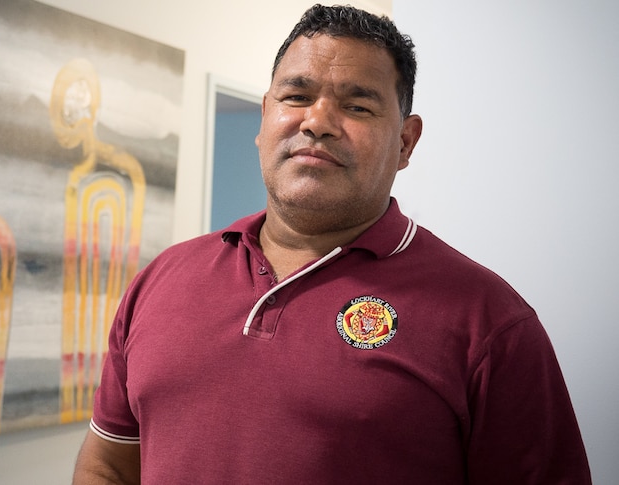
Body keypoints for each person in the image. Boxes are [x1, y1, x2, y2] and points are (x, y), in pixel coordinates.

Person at [72, 4, 591, 484]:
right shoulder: (163, 277)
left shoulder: (490, 323)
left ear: (405, 142)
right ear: (264, 118)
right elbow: (108, 464)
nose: (316, 122)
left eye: (357, 106)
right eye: (296, 97)